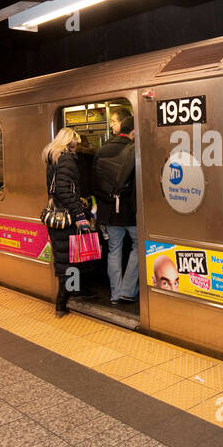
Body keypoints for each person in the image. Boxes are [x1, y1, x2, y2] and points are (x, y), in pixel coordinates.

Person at [43, 127, 93, 316]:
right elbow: (63, 190)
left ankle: (73, 292)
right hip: (66, 219)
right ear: (70, 142)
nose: (77, 145)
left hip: (57, 218)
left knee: (67, 258)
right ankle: (62, 303)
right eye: (76, 142)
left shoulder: (54, 159)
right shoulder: (66, 159)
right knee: (69, 260)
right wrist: (79, 214)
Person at [93, 107, 139, 306]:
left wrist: (109, 198)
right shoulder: (134, 150)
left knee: (114, 250)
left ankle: (114, 293)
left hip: (108, 212)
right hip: (130, 211)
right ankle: (127, 291)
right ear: (133, 132)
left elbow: (94, 184)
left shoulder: (101, 150)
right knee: (138, 247)